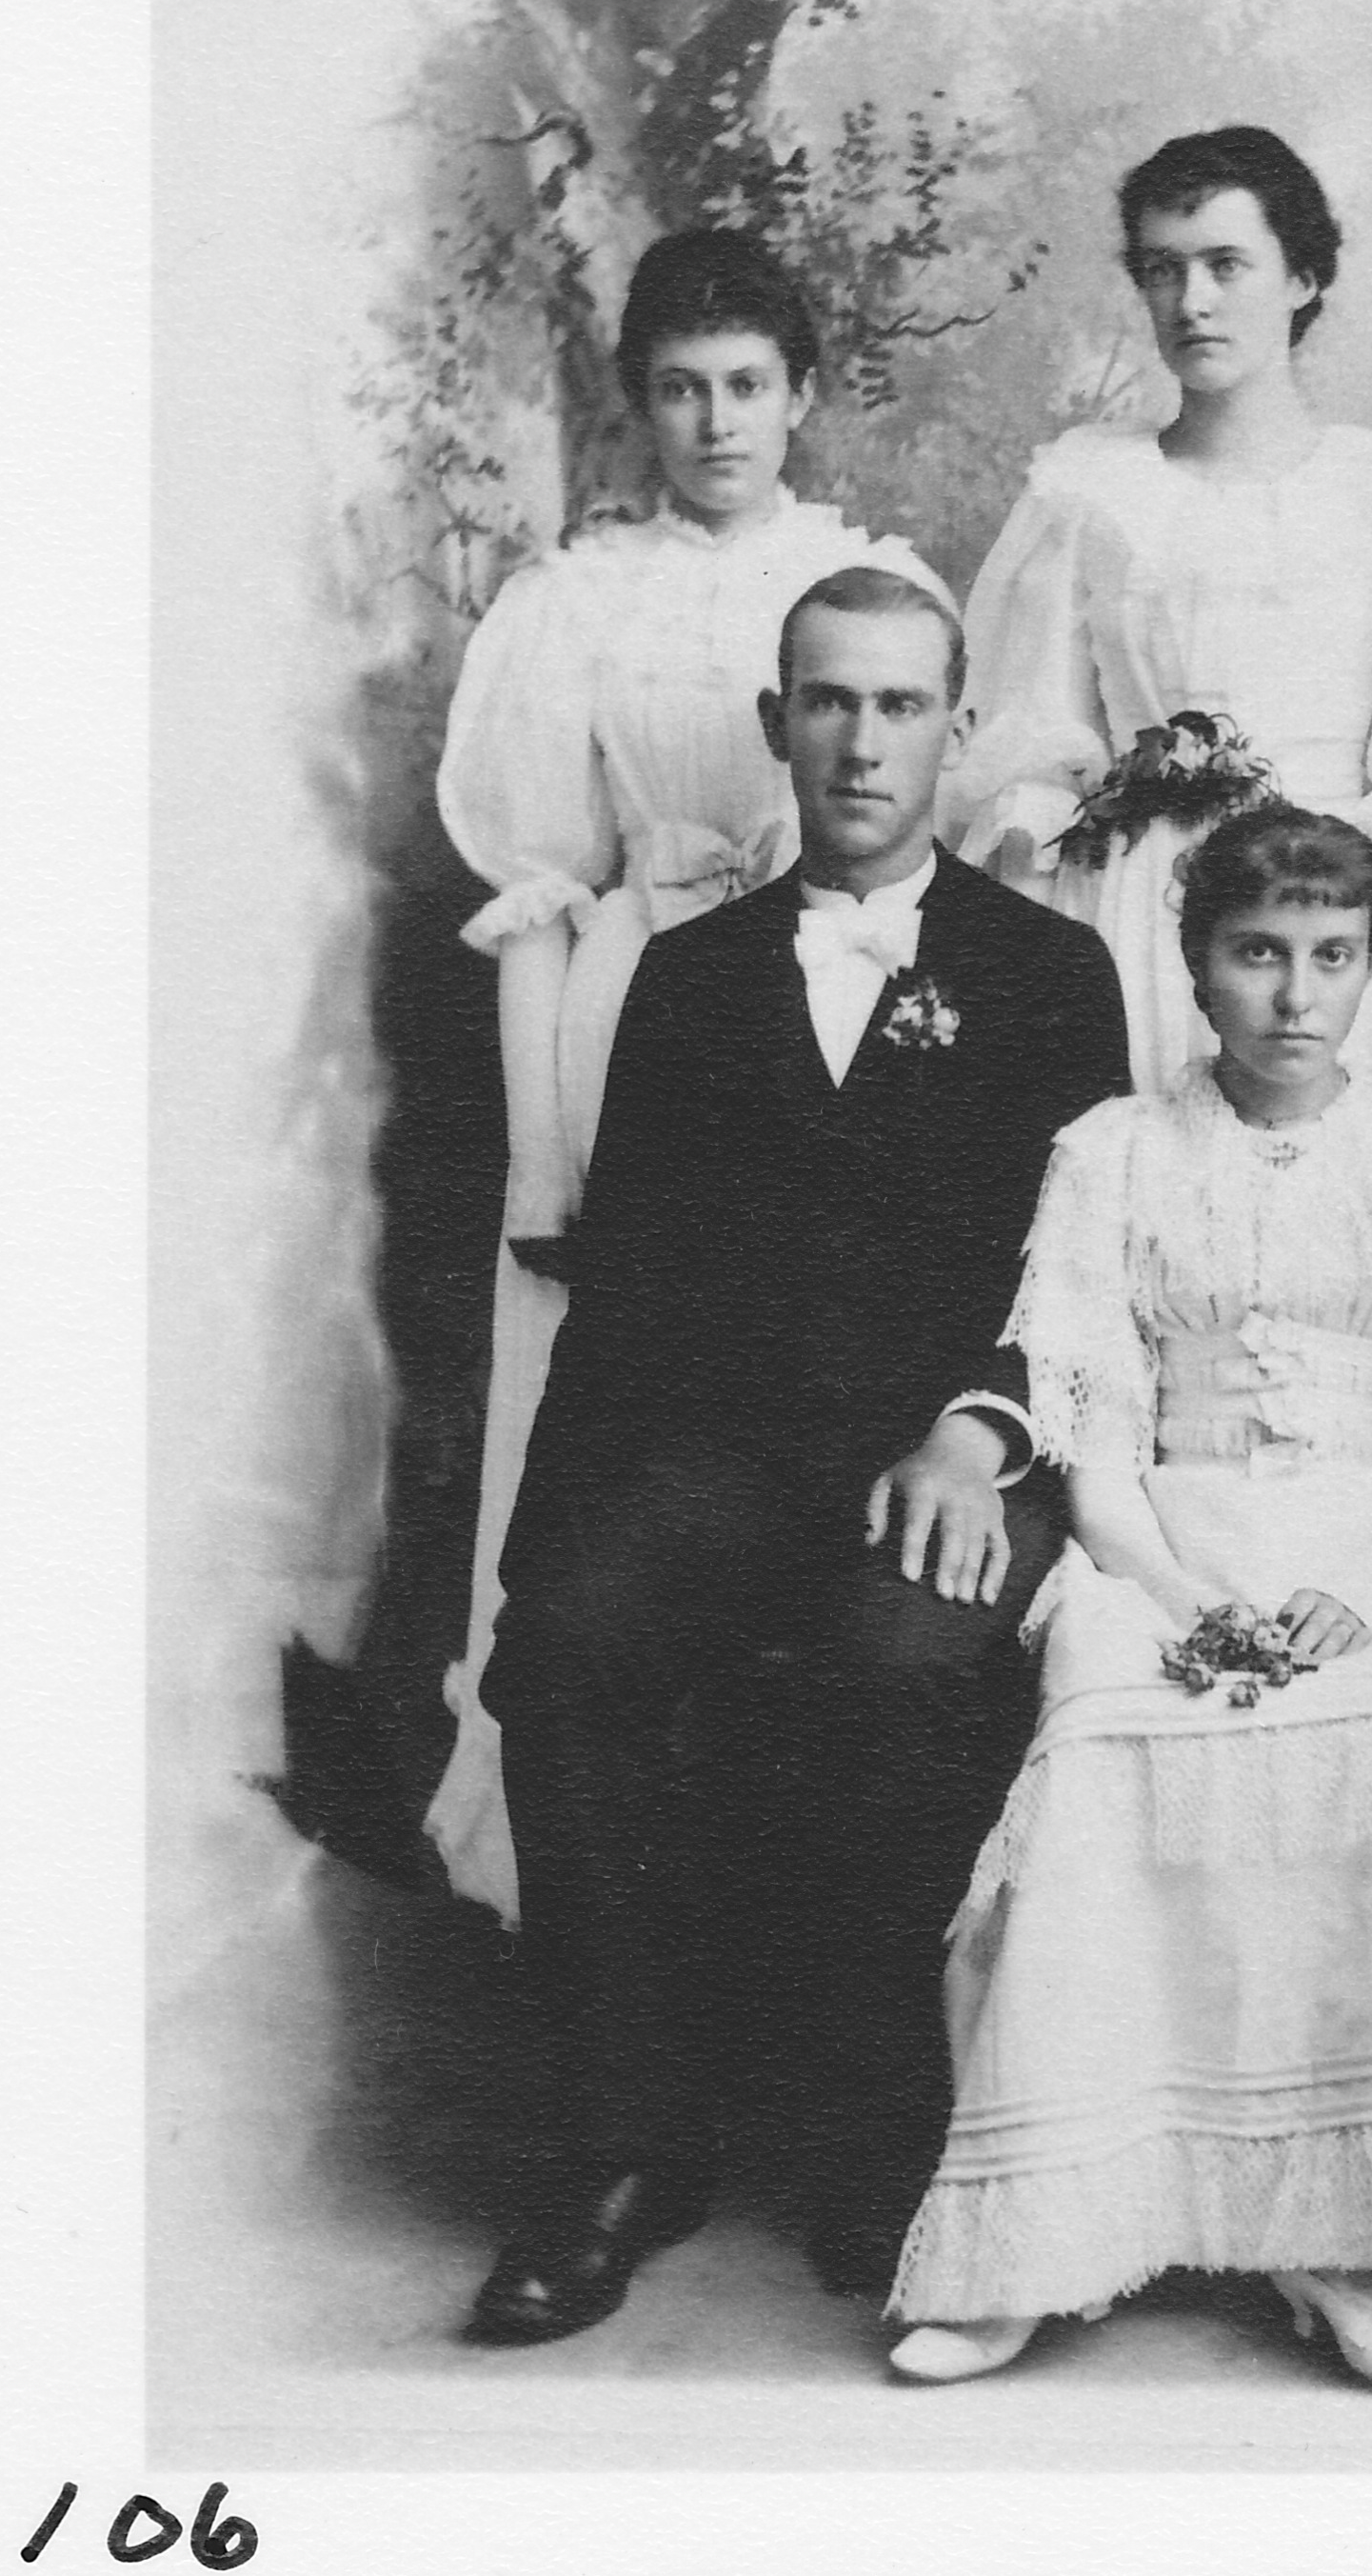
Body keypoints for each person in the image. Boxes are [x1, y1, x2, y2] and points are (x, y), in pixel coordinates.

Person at [462, 567, 1129, 2344]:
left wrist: (977, 1438)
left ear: (955, 734)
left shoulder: (1051, 974)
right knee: (563, 1653)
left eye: (899, 704)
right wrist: (552, 1549)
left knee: (895, 1658)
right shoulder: (687, 980)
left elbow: (1082, 1272)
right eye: (826, 700)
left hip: (956, 1452)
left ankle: (879, 2127)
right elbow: (631, 1296)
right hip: (735, 1456)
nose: (859, 738)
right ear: (778, 724)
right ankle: (629, 2136)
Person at [883, 807, 1372, 2391]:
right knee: (1113, 1754)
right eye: (1258, 952)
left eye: (1333, 956)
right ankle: (1040, 2232)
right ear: (1194, 961)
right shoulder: (1110, 1154)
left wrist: (1352, 1588)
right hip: (1162, 1534)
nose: (1295, 994)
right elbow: (1098, 1446)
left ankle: (1337, 2235)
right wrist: (1181, 1587)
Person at [424, 230, 940, 1927]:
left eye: (747, 385)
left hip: (829, 1025)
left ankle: (784, 1878)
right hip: (637, 1004)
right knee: (614, 1449)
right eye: (678, 389)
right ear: (636, 401)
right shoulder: (579, 598)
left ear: (800, 393)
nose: (716, 423)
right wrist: (544, 1169)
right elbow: (540, 897)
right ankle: (578, 1866)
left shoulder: (874, 584)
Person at [945, 126, 1372, 1100]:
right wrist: (1030, 1020)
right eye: (1163, 270)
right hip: (1135, 927)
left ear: (1303, 277)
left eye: (1227, 265)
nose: (1193, 301)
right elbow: (1030, 788)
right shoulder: (1086, 493)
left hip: (1337, 926)